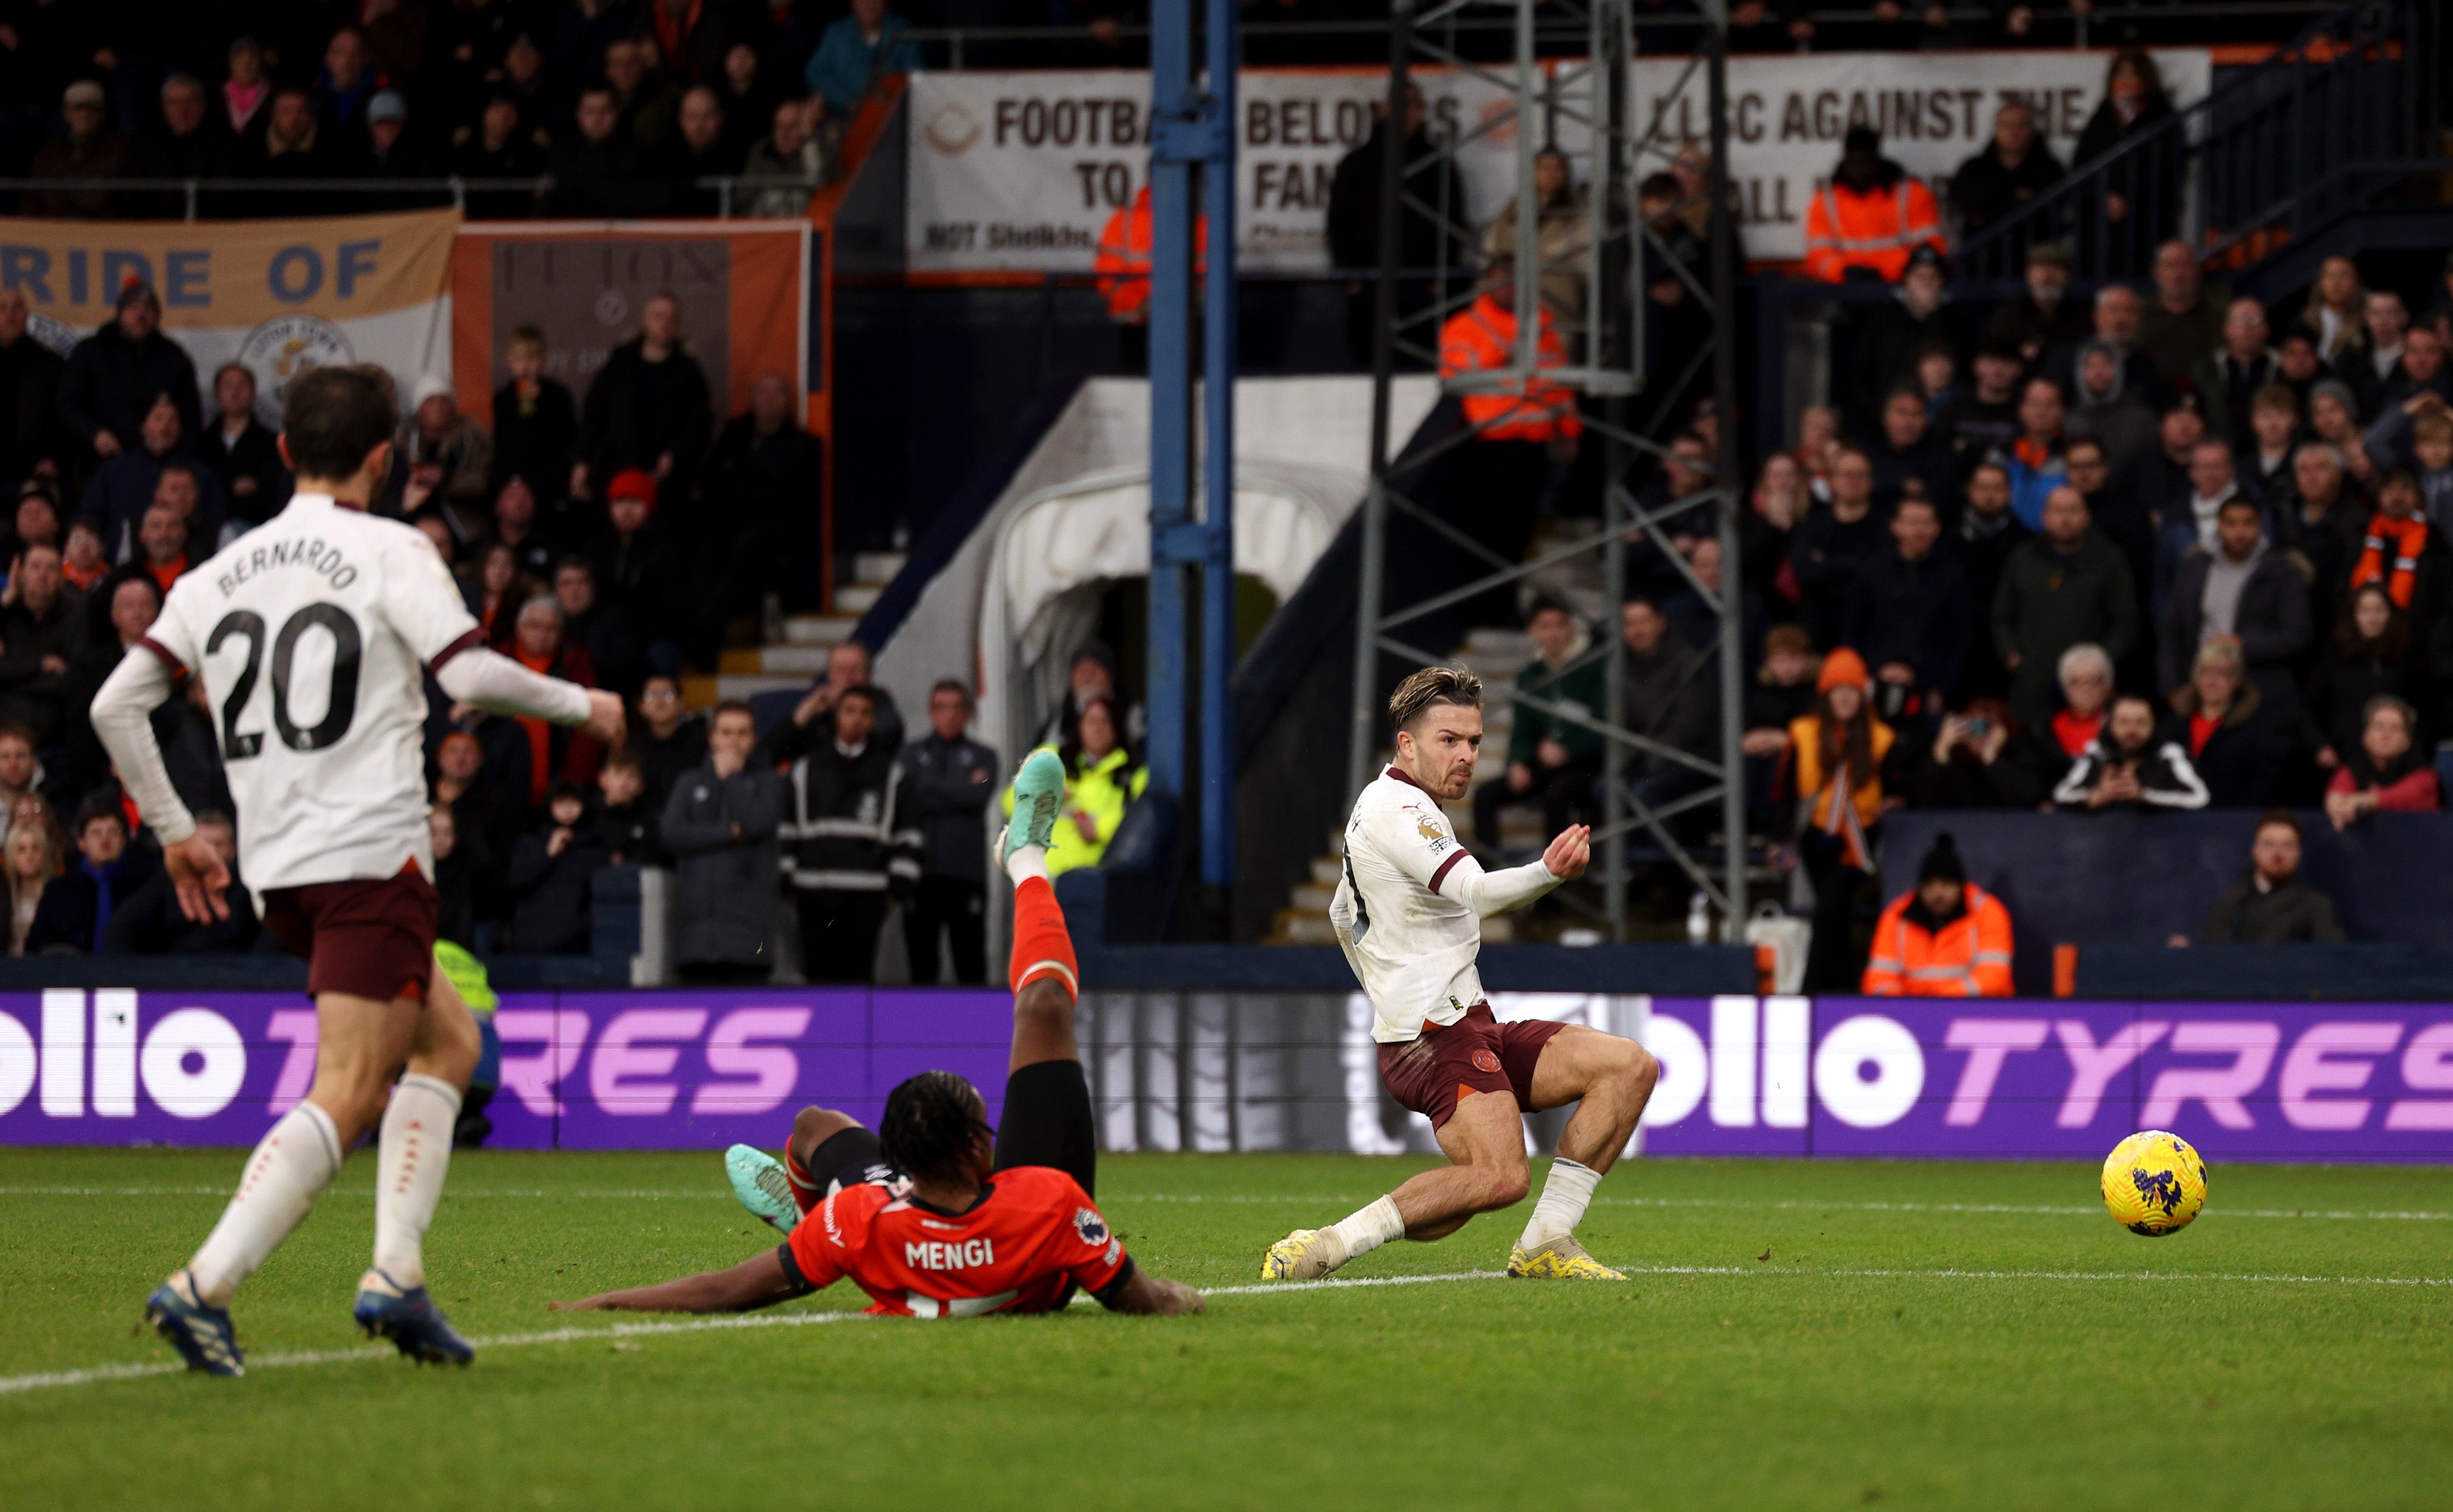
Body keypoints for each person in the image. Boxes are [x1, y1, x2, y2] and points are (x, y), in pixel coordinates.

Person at [94, 364, 624, 1377]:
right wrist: (578, 705)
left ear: (286, 451)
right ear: (385, 460)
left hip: (280, 863)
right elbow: (466, 674)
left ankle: (396, 1274)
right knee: (348, 1085)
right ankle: (203, 1284)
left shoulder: (212, 574)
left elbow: (114, 706)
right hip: (368, 855)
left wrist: (169, 826)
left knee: (451, 1041)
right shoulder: (392, 547)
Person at [556, 761, 1204, 1321]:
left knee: (813, 1126)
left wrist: (604, 1301)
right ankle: (1027, 857)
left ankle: (805, 1215)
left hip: (895, 1226)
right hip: (1033, 1265)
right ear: (981, 1149)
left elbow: (725, 1289)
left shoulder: (860, 1219)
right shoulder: (1049, 1202)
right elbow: (1140, 1298)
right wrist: (1179, 1298)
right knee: (1042, 1006)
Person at [1266, 665, 1654, 1285]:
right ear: (1406, 744)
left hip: (1463, 1021)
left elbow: (1343, 912)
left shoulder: (1386, 805)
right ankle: (1326, 1244)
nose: (1466, 755)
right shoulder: (1401, 810)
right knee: (1499, 1176)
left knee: (1626, 1066)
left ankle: (1546, 1239)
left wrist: (1382, 985)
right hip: (1433, 1034)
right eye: (1448, 739)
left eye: (1473, 741)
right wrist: (1547, 871)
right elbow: (1473, 891)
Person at [1326, 81, 1473, 369]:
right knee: (1370, 366)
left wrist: (1439, 275)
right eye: (1400, 104)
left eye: (1414, 104)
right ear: (1384, 109)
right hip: (1369, 284)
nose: (1407, 112)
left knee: (1421, 368)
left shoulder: (1439, 163)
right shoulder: (1357, 163)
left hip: (1423, 284)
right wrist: (1349, 277)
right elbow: (1337, 222)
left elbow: (1454, 221)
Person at [1779, 648, 1900, 992]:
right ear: (1826, 695)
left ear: (1862, 697)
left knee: (1829, 909)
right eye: (1838, 691)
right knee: (1835, 918)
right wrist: (1781, 838)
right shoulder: (1803, 733)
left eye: (1852, 692)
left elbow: (1896, 783)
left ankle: (1810, 990)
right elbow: (1786, 792)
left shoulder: (1880, 738)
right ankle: (1845, 989)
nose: (1845, 699)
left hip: (1858, 843)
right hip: (1813, 838)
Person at [1992, 485, 2140, 731]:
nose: (2065, 519)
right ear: (2044, 517)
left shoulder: (2108, 559)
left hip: (2087, 684)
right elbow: (2001, 616)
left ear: (2086, 517)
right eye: (2058, 511)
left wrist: (2101, 662)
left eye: (2073, 510)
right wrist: (2012, 655)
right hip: (2032, 679)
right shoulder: (2023, 557)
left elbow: (2126, 622)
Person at [781, 683, 900, 983]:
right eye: (849, 711)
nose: (856, 719)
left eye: (865, 713)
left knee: (859, 982)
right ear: (836, 716)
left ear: (874, 720)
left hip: (867, 896)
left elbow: (908, 834)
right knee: (818, 980)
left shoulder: (892, 773)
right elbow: (787, 828)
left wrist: (896, 890)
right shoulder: (806, 769)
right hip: (814, 894)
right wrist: (788, 880)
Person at [663, 699, 787, 985]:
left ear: (755, 739)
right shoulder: (689, 782)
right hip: (695, 943)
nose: (734, 741)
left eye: (743, 733)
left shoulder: (770, 782)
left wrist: (732, 778)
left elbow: (756, 824)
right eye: (726, 732)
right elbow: (672, 834)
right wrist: (729, 833)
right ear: (712, 738)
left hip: (748, 944)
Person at [891, 679, 999, 985]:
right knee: (922, 965)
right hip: (920, 874)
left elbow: (976, 796)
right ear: (930, 712)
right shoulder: (910, 755)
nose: (949, 715)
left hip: (966, 875)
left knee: (970, 963)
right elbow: (908, 800)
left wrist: (927, 787)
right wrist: (959, 788)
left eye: (957, 707)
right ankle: (923, 1031)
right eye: (942, 707)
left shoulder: (984, 756)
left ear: (968, 713)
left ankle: (976, 1032)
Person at [1473, 599, 1601, 853]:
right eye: (1545, 626)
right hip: (1544, 764)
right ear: (1532, 630)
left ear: (1572, 628)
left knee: (1557, 795)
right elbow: (1523, 729)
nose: (1553, 633)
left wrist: (1569, 750)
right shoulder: (1530, 675)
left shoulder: (1596, 666)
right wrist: (1517, 762)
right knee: (1485, 794)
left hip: (1587, 764)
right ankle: (1486, 872)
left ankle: (1556, 874)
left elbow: (1605, 725)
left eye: (1560, 626)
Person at [2158, 495, 2308, 710]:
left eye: (2248, 523)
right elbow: (2173, 630)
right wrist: (2172, 687)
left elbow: (2297, 636)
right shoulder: (2196, 568)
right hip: (2199, 690)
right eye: (2231, 523)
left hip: (2257, 690)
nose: (2240, 532)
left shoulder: (2280, 572)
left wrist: (2244, 644)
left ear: (2260, 526)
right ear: (2220, 526)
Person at [579, 293, 713, 507]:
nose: (665, 324)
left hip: (666, 481)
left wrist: (675, 454)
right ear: (645, 320)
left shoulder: (689, 373)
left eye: (672, 318)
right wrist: (583, 461)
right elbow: (595, 415)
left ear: (679, 324)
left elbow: (700, 425)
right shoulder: (620, 364)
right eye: (659, 316)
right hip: (617, 472)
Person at [1844, 494, 1971, 713]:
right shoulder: (1872, 572)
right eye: (1912, 523)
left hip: (1928, 691)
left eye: (1926, 523)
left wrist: (1941, 689)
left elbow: (1963, 639)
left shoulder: (1953, 577)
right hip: (1873, 684)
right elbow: (1852, 630)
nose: (1919, 531)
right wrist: (1866, 676)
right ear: (1896, 526)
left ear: (1937, 528)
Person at [58, 285, 202, 475]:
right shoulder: (91, 352)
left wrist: (177, 460)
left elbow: (191, 419)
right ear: (120, 314)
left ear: (158, 316)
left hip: (160, 469)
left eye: (148, 308)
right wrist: (94, 435)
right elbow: (66, 405)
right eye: (133, 308)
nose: (141, 315)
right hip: (98, 465)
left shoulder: (174, 358)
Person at [2071, 47, 2180, 276]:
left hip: (2146, 225)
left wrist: (2130, 198)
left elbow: (2169, 171)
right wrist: (2103, 196)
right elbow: (2081, 168)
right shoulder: (2102, 117)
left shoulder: (2162, 117)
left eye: (2133, 74)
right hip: (2100, 231)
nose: (2126, 81)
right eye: (2120, 75)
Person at [1861, 834, 2013, 997]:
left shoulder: (1988, 912)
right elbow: (1878, 979)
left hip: (1971, 1014)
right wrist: (1907, 1009)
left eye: (1947, 884)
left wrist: (1941, 1005)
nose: (1938, 893)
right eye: (1930, 884)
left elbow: (1995, 978)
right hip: (1911, 1015)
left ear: (1962, 886)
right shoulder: (1896, 916)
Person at [2304, 584, 2422, 780]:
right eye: (2365, 610)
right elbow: (2308, 708)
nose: (2372, 618)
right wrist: (2319, 746)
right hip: (2341, 764)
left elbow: (2422, 712)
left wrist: (2412, 751)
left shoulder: (2405, 660)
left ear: (2390, 615)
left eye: (2379, 610)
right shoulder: (2334, 660)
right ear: (2354, 616)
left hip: (2398, 767)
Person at [1614, 595, 1717, 817]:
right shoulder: (1617, 667)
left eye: (1643, 622)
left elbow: (1689, 726)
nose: (1636, 630)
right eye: (1628, 624)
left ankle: (1666, 852)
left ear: (1661, 623)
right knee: (1607, 788)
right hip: (1638, 758)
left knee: (1642, 792)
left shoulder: (1688, 662)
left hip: (1689, 758)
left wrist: (1648, 755)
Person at [101, 811, 260, 955]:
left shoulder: (251, 884)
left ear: (233, 849)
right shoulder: (169, 881)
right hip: (179, 974)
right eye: (205, 845)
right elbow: (122, 927)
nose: (211, 852)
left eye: (218, 845)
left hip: (240, 975)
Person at [1801, 126, 1944, 284]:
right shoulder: (1825, 200)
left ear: (1878, 163)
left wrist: (1907, 270)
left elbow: (1930, 247)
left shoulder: (1912, 193)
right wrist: (1843, 272)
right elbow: (1818, 256)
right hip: (1845, 289)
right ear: (1845, 163)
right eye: (1855, 163)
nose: (1861, 171)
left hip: (1901, 287)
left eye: (1867, 162)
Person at [26, 797, 160, 955]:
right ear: (81, 843)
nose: (105, 840)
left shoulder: (146, 886)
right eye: (96, 833)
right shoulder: (59, 891)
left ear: (124, 840)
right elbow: (36, 949)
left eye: (113, 832)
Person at [2186, 812, 2344, 945]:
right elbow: (2213, 960)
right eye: (2269, 844)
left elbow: (2331, 960)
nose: (2278, 854)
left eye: (2288, 846)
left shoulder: (2317, 905)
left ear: (2299, 853)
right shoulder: (2232, 903)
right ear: (2255, 851)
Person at [2163, 639, 2281, 807]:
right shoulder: (2175, 723)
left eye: (2221, 673)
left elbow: (2264, 784)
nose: (2211, 681)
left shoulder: (2256, 727)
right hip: (2179, 820)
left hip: (2233, 821)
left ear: (2237, 680)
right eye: (2204, 673)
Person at [1481, 148, 1591, 328]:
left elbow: (1587, 261)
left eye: (1557, 169)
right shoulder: (1513, 208)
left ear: (1566, 173)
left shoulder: (1579, 212)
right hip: (1510, 303)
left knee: (1553, 351)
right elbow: (1491, 248)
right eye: (1544, 168)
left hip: (1557, 303)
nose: (1550, 175)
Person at [1790, 445, 1883, 652]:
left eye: (1860, 475)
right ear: (1832, 481)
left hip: (1870, 630)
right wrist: (1856, 564)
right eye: (1846, 474)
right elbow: (1805, 571)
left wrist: (1827, 565)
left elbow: (1880, 575)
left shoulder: (1885, 526)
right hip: (1818, 633)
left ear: (1871, 481)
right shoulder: (1812, 523)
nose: (1853, 481)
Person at [2051, 694, 2209, 810]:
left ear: (2153, 726)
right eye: (2124, 723)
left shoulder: (2170, 754)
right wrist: (2096, 796)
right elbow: (2061, 794)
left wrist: (2143, 796)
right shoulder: (2097, 753)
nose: (2132, 730)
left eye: (2141, 723)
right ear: (2111, 725)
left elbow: (2200, 797)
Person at [506, 782, 608, 954]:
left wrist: (580, 928)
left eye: (574, 803)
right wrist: (548, 855)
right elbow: (517, 883)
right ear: (549, 806)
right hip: (532, 942)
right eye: (561, 803)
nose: (568, 810)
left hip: (576, 946)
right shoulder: (532, 843)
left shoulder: (594, 848)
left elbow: (599, 898)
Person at [0, 543, 86, 743]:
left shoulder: (76, 615)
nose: (43, 575)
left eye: (51, 568)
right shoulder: (6, 615)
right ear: (20, 574)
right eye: (35, 567)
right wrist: (40, 665)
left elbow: (73, 679)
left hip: (54, 728)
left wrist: (13, 681)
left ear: (61, 577)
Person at [772, 640, 906, 765]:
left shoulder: (881, 703)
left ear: (869, 675)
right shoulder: (817, 707)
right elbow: (771, 753)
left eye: (856, 669)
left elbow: (883, 736)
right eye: (841, 669)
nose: (848, 677)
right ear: (829, 674)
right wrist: (802, 715)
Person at [1947, 99, 2063, 239]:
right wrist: (2019, 199)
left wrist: (1989, 210)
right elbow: (1965, 204)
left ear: (2032, 129)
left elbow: (2049, 213)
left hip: (2033, 251)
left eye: (2022, 125)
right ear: (1996, 130)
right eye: (2007, 125)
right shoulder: (1973, 169)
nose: (2014, 132)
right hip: (1983, 253)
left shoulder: (2050, 169)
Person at [545, 86, 665, 218]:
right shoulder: (564, 154)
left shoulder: (638, 155)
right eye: (590, 112)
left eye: (605, 111)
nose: (597, 119)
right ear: (578, 115)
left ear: (617, 113)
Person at [2323, 694, 2437, 830]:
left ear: (2408, 741)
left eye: (2395, 728)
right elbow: (2337, 796)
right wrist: (2335, 805)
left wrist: (2370, 801)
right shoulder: (2350, 770)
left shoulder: (2425, 774)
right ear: (2365, 736)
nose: (2386, 735)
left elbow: (2405, 796)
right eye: (2378, 727)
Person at [195, 365, 288, 528]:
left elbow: (272, 494)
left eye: (242, 386)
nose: (235, 392)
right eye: (228, 386)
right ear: (217, 394)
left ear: (254, 393)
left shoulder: (271, 444)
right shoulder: (202, 443)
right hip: (208, 532)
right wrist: (231, 488)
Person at [390, 378, 493, 521]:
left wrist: (444, 479)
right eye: (431, 401)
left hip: (462, 519)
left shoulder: (471, 437)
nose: (438, 407)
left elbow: (484, 481)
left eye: (444, 401)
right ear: (420, 407)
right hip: (413, 515)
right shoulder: (403, 438)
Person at [26, 80, 126, 220]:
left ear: (102, 113)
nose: (84, 115)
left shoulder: (119, 152)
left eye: (91, 109)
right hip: (52, 231)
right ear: (66, 112)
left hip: (100, 231)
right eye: (78, 109)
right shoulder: (48, 155)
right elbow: (32, 202)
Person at [804, 0, 921, 118]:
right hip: (846, 119)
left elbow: (916, 76)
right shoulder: (837, 33)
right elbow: (816, 73)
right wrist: (847, 102)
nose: (869, 3)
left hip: (891, 117)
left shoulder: (901, 31)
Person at [0, 290, 64, 496]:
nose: (10, 315)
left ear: (27, 315)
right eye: (2, 309)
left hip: (34, 478)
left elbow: (65, 416)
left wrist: (55, 458)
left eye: (17, 308)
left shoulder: (49, 364)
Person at [1985, 243, 2090, 364]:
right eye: (2042, 268)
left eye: (2056, 268)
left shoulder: (2082, 317)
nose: (2049, 276)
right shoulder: (2008, 316)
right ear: (2028, 273)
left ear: (2068, 275)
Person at [1993, 378, 2070, 532]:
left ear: (2063, 411)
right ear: (2021, 409)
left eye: (2049, 405)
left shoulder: (2073, 457)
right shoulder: (2000, 454)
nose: (2041, 412)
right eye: (2034, 404)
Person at [632, 673, 707, 813]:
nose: (660, 702)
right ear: (642, 707)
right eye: (651, 695)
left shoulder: (700, 743)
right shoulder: (634, 750)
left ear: (681, 704)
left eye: (668, 695)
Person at [739, 99, 827, 219]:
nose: (785, 134)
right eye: (779, 127)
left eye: (793, 127)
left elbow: (821, 189)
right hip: (762, 230)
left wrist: (808, 141)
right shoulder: (761, 153)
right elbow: (743, 200)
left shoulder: (817, 150)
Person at [5, 815, 61, 955]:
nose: (29, 856)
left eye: (35, 849)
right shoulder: (5, 896)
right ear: (11, 855)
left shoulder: (59, 895)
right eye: (21, 849)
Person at [595, 750, 662, 866]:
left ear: (641, 786)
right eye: (618, 774)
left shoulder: (649, 822)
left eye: (631, 776)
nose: (624, 783)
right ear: (602, 779)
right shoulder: (586, 816)